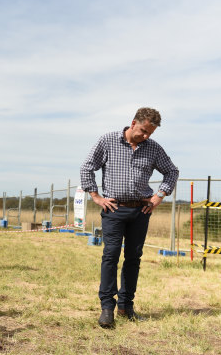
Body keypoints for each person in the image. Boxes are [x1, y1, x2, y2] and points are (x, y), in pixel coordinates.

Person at [80, 107, 179, 328]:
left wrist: (159, 196)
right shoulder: (107, 141)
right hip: (114, 210)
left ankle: (126, 306)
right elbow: (87, 167)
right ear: (133, 123)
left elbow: (172, 171)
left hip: (141, 211)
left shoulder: (153, 148)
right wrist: (95, 196)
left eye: (150, 134)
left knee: (133, 258)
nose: (145, 136)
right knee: (111, 255)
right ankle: (107, 308)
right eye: (143, 131)